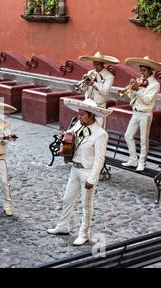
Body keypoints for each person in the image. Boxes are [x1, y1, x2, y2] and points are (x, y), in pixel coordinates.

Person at [47, 99, 110, 246]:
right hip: (74, 169)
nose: (79, 117)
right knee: (67, 199)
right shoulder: (78, 126)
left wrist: (92, 179)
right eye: (79, 114)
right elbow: (69, 137)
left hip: (87, 172)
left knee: (86, 205)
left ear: (91, 116)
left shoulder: (100, 134)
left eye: (82, 115)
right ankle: (63, 226)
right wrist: (63, 138)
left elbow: (99, 160)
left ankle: (84, 234)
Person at [121, 56, 161, 172]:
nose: (141, 72)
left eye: (144, 70)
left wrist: (137, 90)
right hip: (135, 112)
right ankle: (133, 159)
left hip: (145, 114)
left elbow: (147, 99)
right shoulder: (140, 80)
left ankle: (142, 162)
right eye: (140, 70)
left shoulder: (155, 84)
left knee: (143, 140)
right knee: (128, 136)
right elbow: (131, 97)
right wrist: (131, 89)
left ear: (150, 70)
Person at [78, 51, 119, 127]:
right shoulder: (90, 72)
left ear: (102, 64)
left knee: (97, 130)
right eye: (94, 64)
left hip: (98, 107)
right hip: (87, 105)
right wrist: (83, 82)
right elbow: (83, 88)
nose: (95, 66)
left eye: (97, 64)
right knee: (84, 128)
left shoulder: (109, 76)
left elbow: (105, 92)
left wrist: (94, 84)